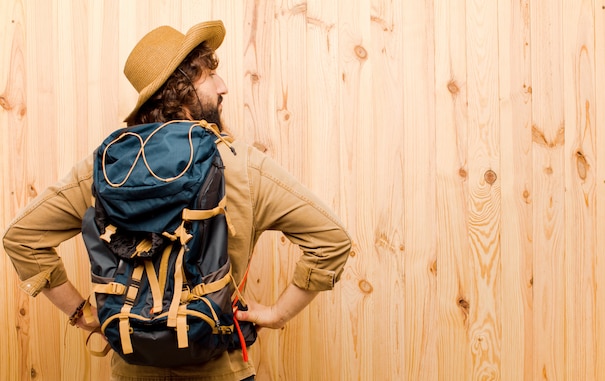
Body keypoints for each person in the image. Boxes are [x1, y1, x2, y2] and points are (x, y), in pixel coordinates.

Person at [3, 20, 352, 381]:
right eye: (208, 75)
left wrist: (85, 316)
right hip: (220, 368)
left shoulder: (107, 170)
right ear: (179, 90)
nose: (223, 87)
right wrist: (278, 314)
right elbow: (332, 240)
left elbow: (22, 237)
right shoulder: (242, 166)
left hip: (132, 370)